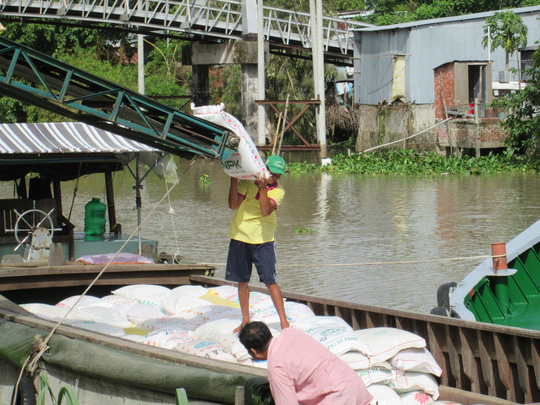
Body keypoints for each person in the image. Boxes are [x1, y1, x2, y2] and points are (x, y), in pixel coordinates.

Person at [226, 155, 290, 333]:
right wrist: (233, 179)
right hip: (240, 235)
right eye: (272, 173)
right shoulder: (247, 183)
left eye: (278, 175)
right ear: (263, 169)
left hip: (263, 239)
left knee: (271, 281)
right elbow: (233, 205)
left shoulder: (278, 191)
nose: (274, 177)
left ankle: (284, 323)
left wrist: (263, 189)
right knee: (242, 280)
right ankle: (245, 320)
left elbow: (265, 211)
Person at [239, 322, 373, 405]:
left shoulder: (278, 369)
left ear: (253, 352)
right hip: (354, 386)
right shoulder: (291, 332)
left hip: (337, 396)